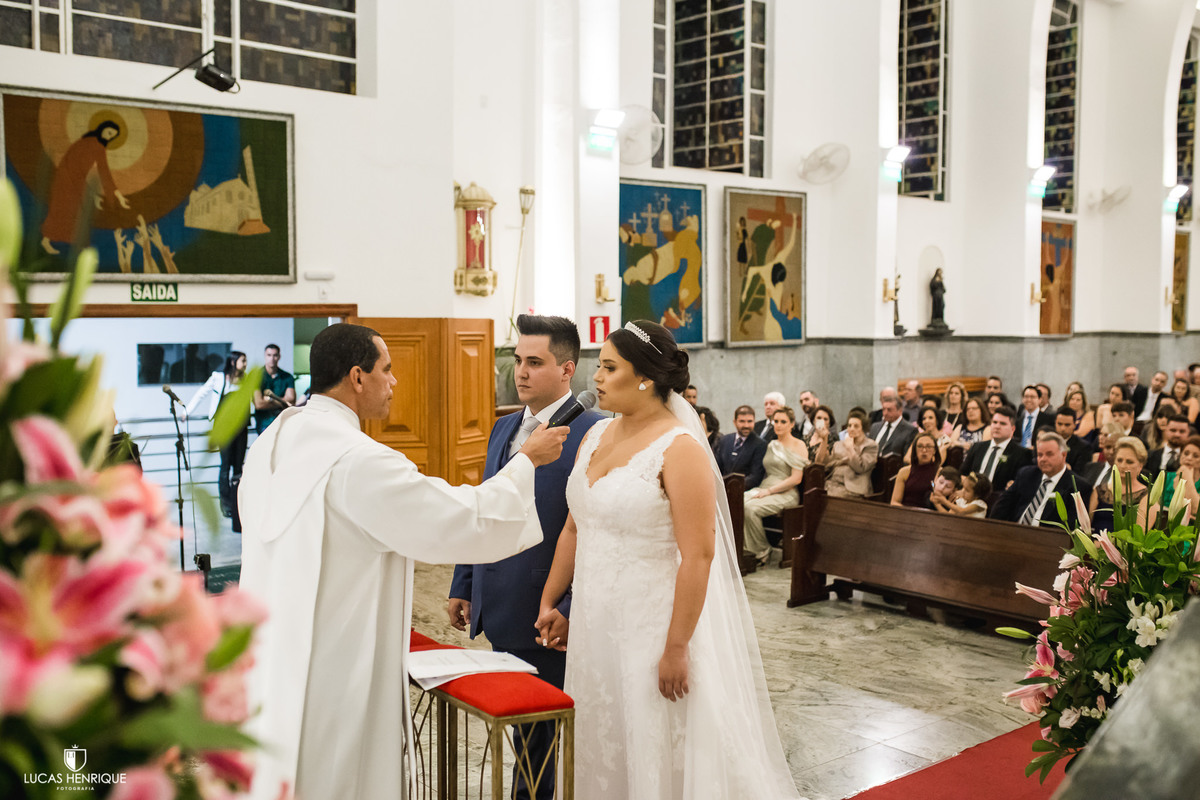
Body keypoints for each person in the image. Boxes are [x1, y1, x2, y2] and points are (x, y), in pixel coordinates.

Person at [238, 323, 569, 800]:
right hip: (337, 657)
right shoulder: (356, 460)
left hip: (277, 648)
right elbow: (461, 518)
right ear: (357, 377)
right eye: (387, 370)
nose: (394, 382)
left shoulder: (275, 439)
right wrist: (526, 463)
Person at [535, 320, 801, 799]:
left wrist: (677, 646)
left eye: (609, 367)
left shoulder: (679, 449)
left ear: (645, 378)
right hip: (596, 625)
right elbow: (576, 525)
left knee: (652, 741)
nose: (595, 377)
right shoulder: (594, 438)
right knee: (603, 735)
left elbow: (699, 555)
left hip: (653, 627)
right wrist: (552, 599)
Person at [447, 315, 601, 800]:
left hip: (547, 610)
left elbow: (594, 529)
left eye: (535, 362)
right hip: (500, 604)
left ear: (566, 369)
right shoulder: (503, 426)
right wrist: (464, 582)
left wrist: (571, 608)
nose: (521, 371)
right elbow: (486, 504)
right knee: (521, 731)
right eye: (518, 360)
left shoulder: (593, 433)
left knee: (542, 737)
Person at [40, 120, 131, 254]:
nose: (109, 136)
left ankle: (78, 244)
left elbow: (102, 171)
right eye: (109, 132)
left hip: (76, 179)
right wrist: (118, 196)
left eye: (112, 136)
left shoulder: (96, 145)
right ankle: (48, 241)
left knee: (78, 211)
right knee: (61, 209)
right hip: (67, 179)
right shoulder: (89, 142)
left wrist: (112, 195)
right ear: (102, 128)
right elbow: (102, 171)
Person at [185, 351, 248, 520]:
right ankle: (226, 504)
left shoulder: (246, 380)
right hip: (224, 427)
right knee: (225, 465)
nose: (246, 363)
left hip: (241, 427)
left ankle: (237, 504)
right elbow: (201, 393)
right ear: (233, 362)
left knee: (238, 466)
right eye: (243, 360)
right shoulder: (219, 378)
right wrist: (187, 411)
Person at [743, 406, 810, 565]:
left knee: (750, 509)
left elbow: (796, 479)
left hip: (786, 493)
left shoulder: (798, 445)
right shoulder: (772, 443)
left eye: (783, 422)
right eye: (776, 422)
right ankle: (743, 551)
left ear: (792, 424)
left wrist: (769, 491)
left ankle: (762, 550)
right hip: (766, 488)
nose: (778, 425)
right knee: (738, 502)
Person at [991, 432, 1092, 528]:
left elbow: (1071, 526)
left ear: (1064, 455)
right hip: (1015, 533)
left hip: (1047, 541)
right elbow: (1001, 507)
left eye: (1049, 454)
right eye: (1040, 455)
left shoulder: (1078, 486)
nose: (1043, 459)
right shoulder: (1026, 474)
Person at [959, 406, 1032, 494]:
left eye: (1003, 423)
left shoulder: (1022, 453)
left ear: (1013, 429)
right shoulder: (977, 447)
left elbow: (1018, 484)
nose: (997, 426)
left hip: (998, 498)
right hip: (972, 495)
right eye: (994, 422)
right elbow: (963, 473)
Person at [1088, 436, 1150, 532]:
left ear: (1140, 466)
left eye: (1129, 462)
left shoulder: (1145, 496)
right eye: (1119, 460)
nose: (1123, 465)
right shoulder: (1100, 490)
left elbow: (1140, 534)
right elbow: (1087, 525)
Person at [816, 409, 877, 498]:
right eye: (849, 425)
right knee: (814, 495)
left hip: (853, 488)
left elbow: (860, 468)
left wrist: (850, 449)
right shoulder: (838, 444)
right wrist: (824, 439)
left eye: (856, 426)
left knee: (828, 499)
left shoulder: (871, 445)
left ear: (863, 428)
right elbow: (827, 465)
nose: (851, 429)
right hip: (832, 483)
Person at [715, 405, 768, 489]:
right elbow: (717, 468)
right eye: (742, 421)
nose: (746, 425)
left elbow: (755, 477)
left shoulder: (760, 444)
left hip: (742, 491)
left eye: (750, 421)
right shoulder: (724, 440)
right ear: (734, 422)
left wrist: (732, 487)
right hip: (721, 490)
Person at [252, 343, 297, 434]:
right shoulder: (256, 377)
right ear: (265, 356)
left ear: (279, 356)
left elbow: (291, 401)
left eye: (275, 355)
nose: (272, 359)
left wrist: (269, 400)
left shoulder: (287, 377)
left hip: (283, 422)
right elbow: (259, 404)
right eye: (269, 355)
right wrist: (282, 403)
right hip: (263, 424)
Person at [891, 432, 941, 507]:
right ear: (915, 450)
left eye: (928, 446)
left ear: (934, 450)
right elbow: (894, 502)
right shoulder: (904, 472)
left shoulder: (940, 472)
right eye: (920, 446)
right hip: (906, 513)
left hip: (930, 515)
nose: (924, 450)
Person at [1146, 414, 1191, 478]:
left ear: (1188, 432)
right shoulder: (1149, 456)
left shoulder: (1191, 460)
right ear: (1165, 430)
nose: (1177, 434)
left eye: (1182, 431)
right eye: (1173, 430)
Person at [1054, 405, 1093, 474]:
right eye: (1059, 424)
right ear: (1055, 423)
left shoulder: (1084, 447)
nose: (1063, 428)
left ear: (1075, 425)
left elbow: (1081, 475)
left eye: (1067, 425)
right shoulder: (1047, 442)